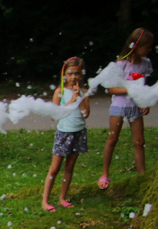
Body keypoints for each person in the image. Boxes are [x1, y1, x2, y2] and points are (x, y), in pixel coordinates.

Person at [98, 28, 154, 190]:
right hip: (119, 107)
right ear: (136, 47)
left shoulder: (145, 64)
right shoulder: (121, 64)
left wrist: (145, 101)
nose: (149, 50)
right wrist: (130, 89)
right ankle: (105, 174)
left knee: (139, 142)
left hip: (135, 108)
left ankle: (141, 175)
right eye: (147, 47)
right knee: (112, 139)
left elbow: (143, 86)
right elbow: (112, 89)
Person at [42, 57, 91, 212]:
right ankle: (45, 200)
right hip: (64, 134)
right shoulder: (60, 92)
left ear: (81, 75)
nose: (73, 77)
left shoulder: (83, 92)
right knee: (55, 168)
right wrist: (71, 101)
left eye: (76, 73)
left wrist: (80, 98)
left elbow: (86, 114)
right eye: (70, 73)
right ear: (65, 75)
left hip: (78, 133)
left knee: (69, 167)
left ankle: (62, 198)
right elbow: (53, 115)